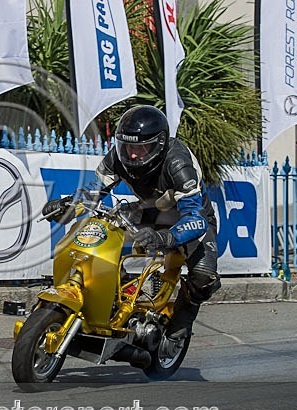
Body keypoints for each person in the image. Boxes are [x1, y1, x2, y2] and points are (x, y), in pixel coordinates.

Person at [42, 104, 220, 353]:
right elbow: (93, 192)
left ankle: (180, 325)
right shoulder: (117, 156)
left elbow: (196, 219)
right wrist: (68, 206)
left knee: (204, 278)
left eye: (140, 147)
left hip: (190, 219)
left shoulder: (178, 164)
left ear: (158, 145)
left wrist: (165, 237)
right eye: (127, 146)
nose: (132, 154)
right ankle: (112, 298)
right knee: (102, 230)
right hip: (149, 210)